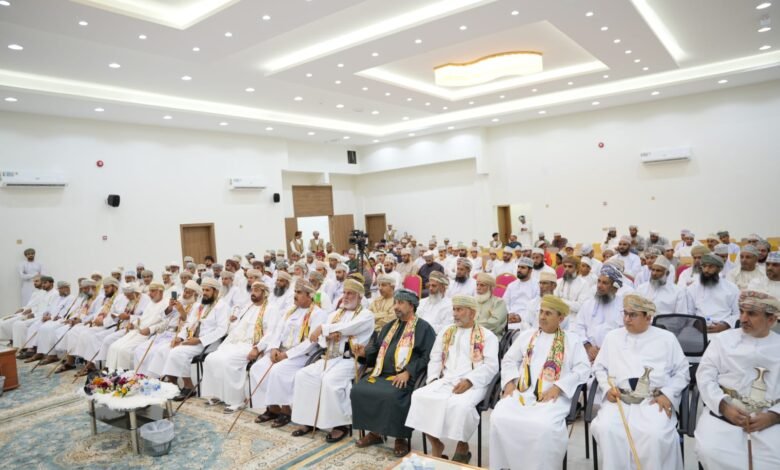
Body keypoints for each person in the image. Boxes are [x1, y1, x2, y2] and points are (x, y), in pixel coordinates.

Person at [490, 295, 590, 470]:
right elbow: (509, 360)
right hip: (522, 393)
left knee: (543, 426)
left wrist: (559, 387)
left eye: (548, 313)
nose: (542, 317)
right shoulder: (527, 336)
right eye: (541, 312)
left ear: (561, 318)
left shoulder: (572, 340)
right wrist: (509, 383)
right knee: (499, 417)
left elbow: (583, 369)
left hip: (552, 398)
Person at [591, 294, 690, 470]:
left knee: (655, 435)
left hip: (652, 401)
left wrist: (667, 394)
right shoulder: (613, 337)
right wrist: (607, 388)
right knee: (607, 429)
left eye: (633, 315)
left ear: (648, 317)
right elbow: (599, 368)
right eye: (625, 313)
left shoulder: (666, 338)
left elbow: (683, 372)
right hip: (620, 400)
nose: (627, 319)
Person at [405, 295, 498, 464]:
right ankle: (436, 444)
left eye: (459, 310)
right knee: (419, 396)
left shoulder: (488, 336)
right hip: (446, 379)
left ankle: (462, 446)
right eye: (454, 309)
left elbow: (491, 366)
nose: (455, 314)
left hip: (475, 382)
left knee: (460, 407)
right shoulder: (446, 331)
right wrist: (433, 378)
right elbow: (435, 357)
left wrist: (469, 381)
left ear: (472, 313)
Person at [694, 290, 780, 469]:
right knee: (710, 450)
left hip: (769, 418)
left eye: (752, 314)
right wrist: (724, 407)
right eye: (741, 311)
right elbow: (704, 376)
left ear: (771, 319)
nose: (743, 319)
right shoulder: (722, 340)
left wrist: (773, 417)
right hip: (725, 414)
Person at [351, 289, 436, 457]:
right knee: (359, 389)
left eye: (400, 303)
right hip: (382, 374)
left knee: (394, 395)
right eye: (395, 302)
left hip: (405, 376)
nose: (396, 306)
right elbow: (376, 349)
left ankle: (400, 437)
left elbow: (427, 356)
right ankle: (375, 433)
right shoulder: (389, 327)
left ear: (411, 306)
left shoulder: (424, 328)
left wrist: (408, 372)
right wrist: (364, 353)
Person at [290, 279, 374, 441]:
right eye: (344, 293)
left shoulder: (366, 315)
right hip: (329, 357)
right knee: (303, 375)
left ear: (360, 297)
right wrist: (328, 336)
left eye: (350, 293)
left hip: (350, 360)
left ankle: (340, 424)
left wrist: (325, 329)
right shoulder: (335, 315)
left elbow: (350, 327)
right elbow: (320, 340)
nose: (345, 296)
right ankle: (308, 420)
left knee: (329, 381)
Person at [250, 279, 328, 427]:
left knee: (277, 371)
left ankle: (286, 411)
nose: (295, 295)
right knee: (257, 368)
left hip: (301, 355)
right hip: (280, 351)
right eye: (295, 292)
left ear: (309, 295)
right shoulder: (290, 310)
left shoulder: (318, 314)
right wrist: (274, 348)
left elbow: (311, 342)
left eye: (299, 292)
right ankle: (273, 408)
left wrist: (286, 355)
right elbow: (277, 331)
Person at [200, 282, 280, 413]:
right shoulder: (249, 307)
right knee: (211, 358)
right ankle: (219, 395)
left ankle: (237, 401)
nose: (253, 293)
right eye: (252, 290)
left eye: (256, 290)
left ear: (264, 293)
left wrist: (258, 348)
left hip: (252, 345)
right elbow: (237, 327)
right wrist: (230, 326)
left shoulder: (272, 309)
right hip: (237, 343)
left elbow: (271, 333)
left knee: (227, 362)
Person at [164, 278, 229, 399]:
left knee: (178, 353)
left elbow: (222, 330)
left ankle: (189, 387)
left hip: (209, 343)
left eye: (207, 290)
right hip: (193, 339)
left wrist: (199, 340)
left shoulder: (222, 306)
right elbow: (189, 323)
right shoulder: (200, 305)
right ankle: (172, 384)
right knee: (170, 349)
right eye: (203, 290)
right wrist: (180, 338)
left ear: (215, 291)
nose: (204, 293)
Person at [137, 280, 202, 377]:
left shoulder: (197, 306)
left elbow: (189, 325)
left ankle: (153, 377)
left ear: (195, 294)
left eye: (188, 292)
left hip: (177, 335)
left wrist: (181, 310)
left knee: (154, 352)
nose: (185, 294)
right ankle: (140, 375)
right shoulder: (179, 302)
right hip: (165, 332)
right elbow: (163, 317)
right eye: (185, 291)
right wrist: (170, 307)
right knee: (140, 349)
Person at [105, 282, 167, 371]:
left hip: (149, 334)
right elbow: (143, 318)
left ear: (160, 292)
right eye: (149, 291)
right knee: (114, 346)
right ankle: (111, 372)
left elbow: (164, 324)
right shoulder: (151, 303)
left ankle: (123, 374)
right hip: (137, 331)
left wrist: (150, 329)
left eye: (153, 291)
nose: (150, 294)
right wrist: (133, 324)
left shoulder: (166, 304)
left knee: (124, 350)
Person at [572, 265, 625, 362]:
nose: (599, 286)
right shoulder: (588, 304)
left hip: (613, 356)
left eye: (605, 283)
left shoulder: (623, 307)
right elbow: (578, 327)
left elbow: (624, 334)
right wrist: (588, 347)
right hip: (587, 354)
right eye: (599, 281)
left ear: (615, 287)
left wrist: (604, 351)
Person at [686, 254, 739, 333]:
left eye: (711, 267)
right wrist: (697, 324)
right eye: (704, 266)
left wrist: (726, 325)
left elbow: (737, 313)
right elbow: (689, 313)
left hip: (725, 330)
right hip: (699, 330)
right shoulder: (693, 288)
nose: (706, 270)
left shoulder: (732, 288)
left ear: (719, 269)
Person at [504, 257, 540, 330]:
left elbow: (536, 308)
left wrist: (521, 317)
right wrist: (509, 315)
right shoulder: (512, 285)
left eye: (523, 268)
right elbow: (504, 303)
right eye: (518, 267)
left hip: (527, 320)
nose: (519, 270)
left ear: (530, 270)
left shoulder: (537, 285)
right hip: (510, 318)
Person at [554, 256, 591, 320]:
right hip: (558, 318)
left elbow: (580, 306)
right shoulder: (558, 282)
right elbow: (554, 301)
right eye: (565, 266)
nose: (566, 269)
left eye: (570, 266)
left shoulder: (584, 284)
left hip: (574, 319)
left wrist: (560, 300)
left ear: (577, 268)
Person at [474, 273, 508, 338]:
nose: (478, 288)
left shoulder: (499, 302)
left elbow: (494, 323)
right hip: (472, 335)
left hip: (491, 337)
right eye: (477, 285)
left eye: (482, 285)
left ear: (490, 288)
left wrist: (472, 326)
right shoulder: (473, 302)